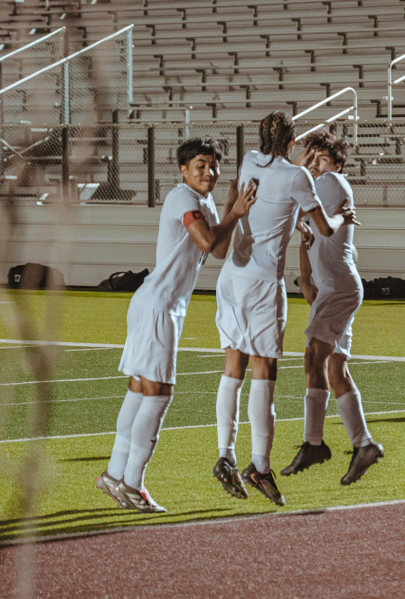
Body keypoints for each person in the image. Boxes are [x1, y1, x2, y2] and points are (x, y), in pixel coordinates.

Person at [96, 137, 258, 513]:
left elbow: (218, 249)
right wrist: (234, 213)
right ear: (184, 170)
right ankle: (132, 483)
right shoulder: (183, 198)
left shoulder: (201, 201)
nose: (208, 171)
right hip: (159, 308)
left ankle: (114, 474)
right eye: (200, 165)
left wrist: (230, 212)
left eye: (213, 165)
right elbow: (205, 241)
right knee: (159, 394)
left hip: (156, 304)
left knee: (139, 391)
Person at [213, 112, 358, 506]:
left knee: (233, 366)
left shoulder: (247, 160)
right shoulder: (298, 178)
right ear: (292, 140)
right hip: (262, 284)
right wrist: (339, 216)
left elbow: (267, 206)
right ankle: (259, 465)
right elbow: (326, 229)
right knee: (266, 371)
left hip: (231, 279)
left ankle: (225, 454)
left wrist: (295, 222)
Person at [282, 131, 383, 485]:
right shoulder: (318, 184)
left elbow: (298, 211)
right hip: (335, 285)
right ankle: (364, 444)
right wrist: (306, 277)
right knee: (334, 369)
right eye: (313, 156)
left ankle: (314, 443)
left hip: (339, 285)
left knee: (314, 358)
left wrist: (299, 171)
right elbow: (306, 231)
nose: (315, 162)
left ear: (337, 163)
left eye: (322, 157)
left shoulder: (330, 181)